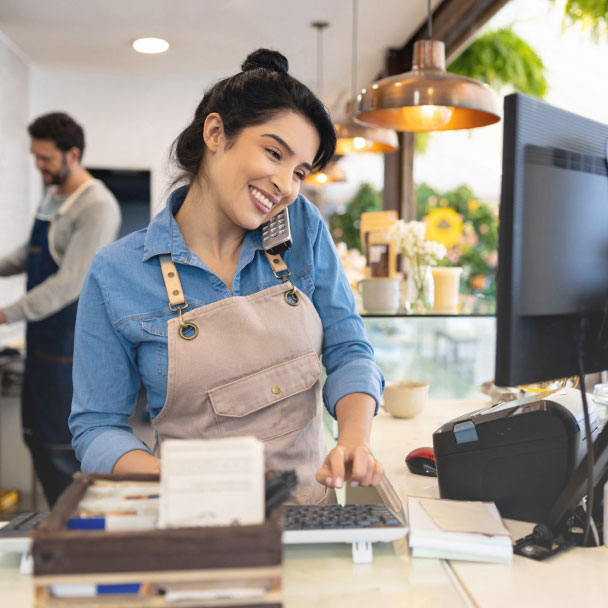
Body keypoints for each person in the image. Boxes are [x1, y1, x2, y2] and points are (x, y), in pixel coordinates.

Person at [69, 49, 385, 504]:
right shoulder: (116, 272)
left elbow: (349, 349)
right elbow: (97, 427)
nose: (286, 185)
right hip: (194, 519)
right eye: (273, 153)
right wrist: (176, 481)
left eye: (299, 171)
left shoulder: (302, 228)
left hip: (306, 520)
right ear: (216, 133)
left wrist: (354, 439)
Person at [0, 112, 121, 506]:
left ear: (72, 154)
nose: (39, 166)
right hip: (41, 341)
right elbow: (30, 254)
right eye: (35, 157)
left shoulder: (97, 205)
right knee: (35, 438)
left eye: (45, 158)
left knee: (60, 451)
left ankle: (82, 538)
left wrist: (5, 313)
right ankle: (59, 527)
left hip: (69, 345)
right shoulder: (54, 195)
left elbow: (69, 283)